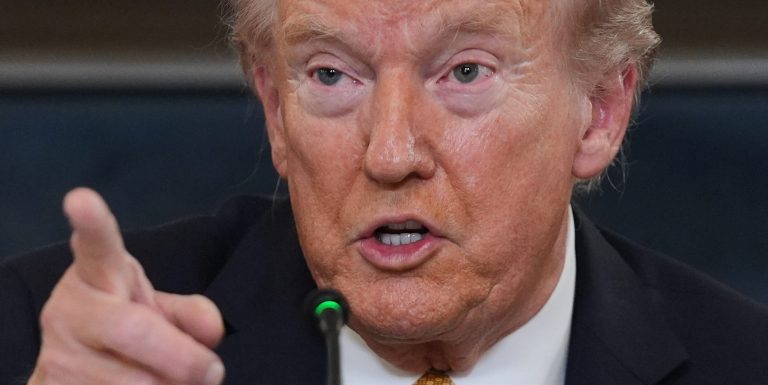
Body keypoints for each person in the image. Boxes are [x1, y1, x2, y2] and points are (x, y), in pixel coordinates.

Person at [1, 0, 767, 384]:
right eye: (331, 75)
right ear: (275, 110)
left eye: (465, 71)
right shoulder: (50, 343)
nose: (390, 152)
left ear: (599, 110)